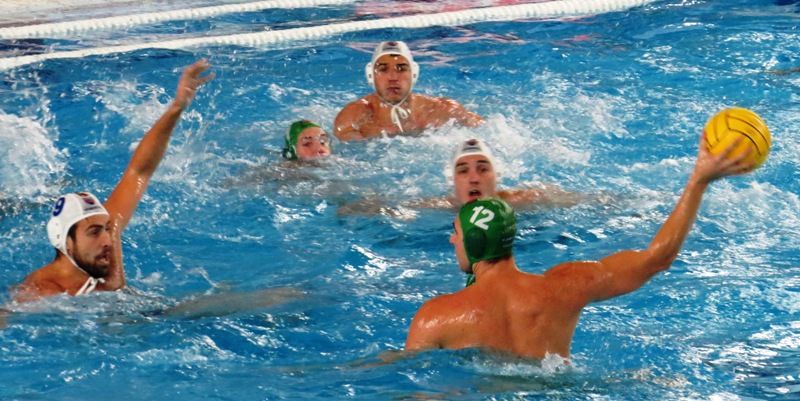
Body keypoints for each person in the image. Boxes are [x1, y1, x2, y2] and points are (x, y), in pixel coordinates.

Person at [405, 135, 755, 359]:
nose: (451, 239)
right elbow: (657, 258)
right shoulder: (564, 287)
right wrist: (698, 181)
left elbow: (410, 384)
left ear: (473, 240)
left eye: (456, 232)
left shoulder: (436, 317)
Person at [12, 59, 215, 303]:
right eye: (94, 232)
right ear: (66, 242)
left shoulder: (99, 246)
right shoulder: (41, 294)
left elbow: (139, 172)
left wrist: (177, 107)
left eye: (107, 228)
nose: (108, 240)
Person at [334, 41, 485, 141]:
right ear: (371, 75)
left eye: (401, 69)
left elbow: (487, 130)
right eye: (383, 69)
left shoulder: (443, 110)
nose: (393, 77)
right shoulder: (354, 120)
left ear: (414, 74)